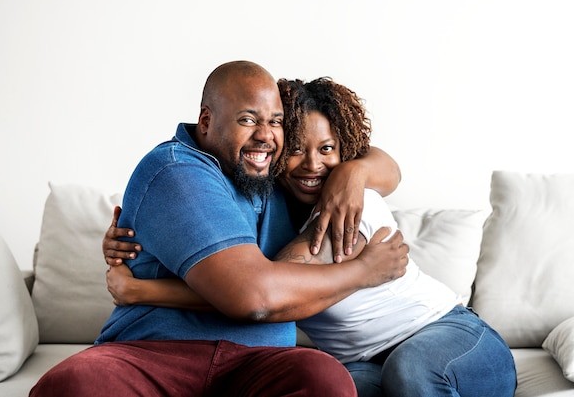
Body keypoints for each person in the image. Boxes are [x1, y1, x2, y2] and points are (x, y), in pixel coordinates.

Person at [103, 77, 518, 397]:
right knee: (340, 385)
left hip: (448, 333)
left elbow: (266, 291)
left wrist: (142, 291)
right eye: (298, 148)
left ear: (346, 150)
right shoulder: (268, 207)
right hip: (363, 361)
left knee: (410, 370)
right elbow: (252, 283)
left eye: (329, 150)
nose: (312, 165)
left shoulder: (350, 205)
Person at [30, 61, 409, 397]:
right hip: (154, 355)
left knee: (324, 379)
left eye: (274, 122)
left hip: (261, 363)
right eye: (247, 119)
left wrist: (352, 172)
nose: (264, 134)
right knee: (77, 383)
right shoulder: (176, 170)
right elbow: (253, 297)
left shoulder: (274, 174)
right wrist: (362, 272)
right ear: (207, 120)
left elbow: (387, 168)